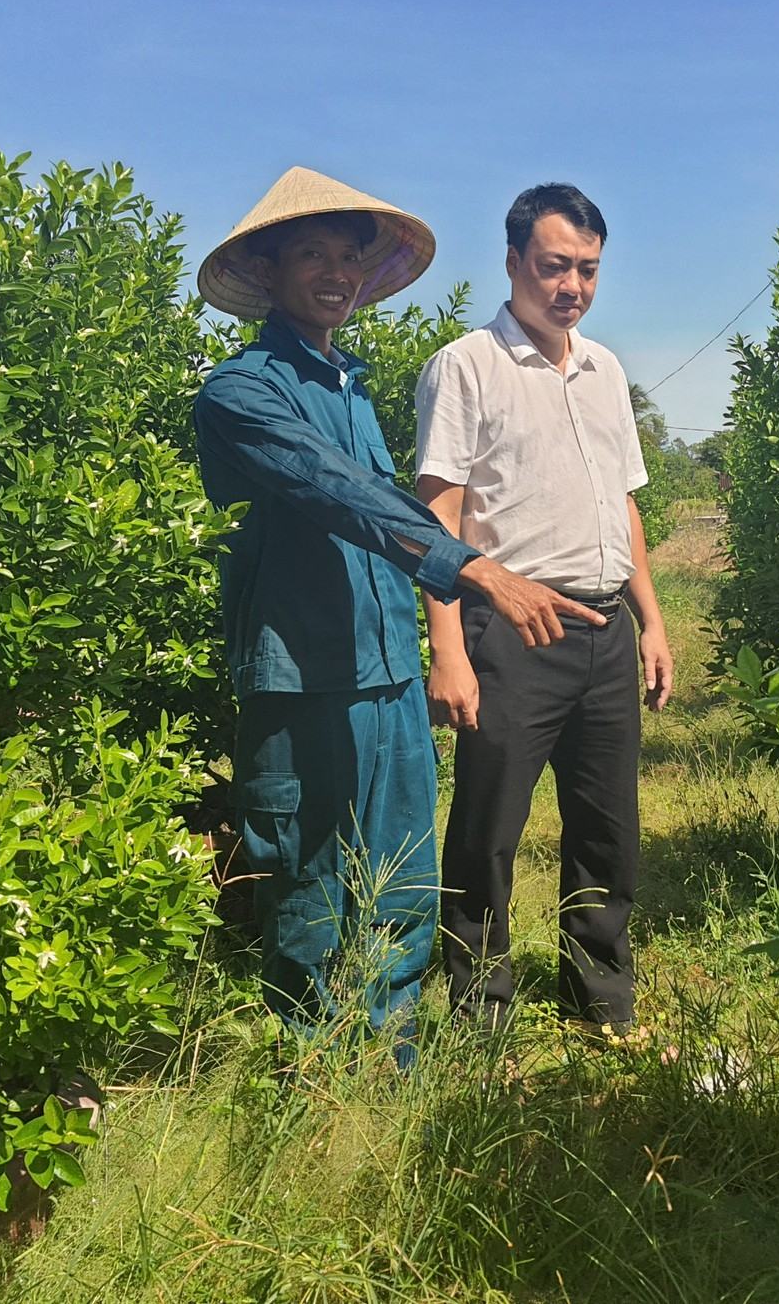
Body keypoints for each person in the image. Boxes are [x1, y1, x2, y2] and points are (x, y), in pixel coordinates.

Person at [192, 167, 605, 1069]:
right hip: (300, 676)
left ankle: (394, 1066)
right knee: (306, 874)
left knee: (404, 877)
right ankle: (308, 1072)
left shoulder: (350, 384)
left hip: (385, 673)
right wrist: (478, 571)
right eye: (313, 253)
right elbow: (341, 494)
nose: (336, 272)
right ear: (268, 270)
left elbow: (383, 502)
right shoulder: (239, 391)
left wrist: (430, 644)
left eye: (349, 256)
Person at [414, 182, 672, 1038]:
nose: (573, 286)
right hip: (512, 632)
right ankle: (479, 1016)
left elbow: (622, 505)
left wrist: (654, 622)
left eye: (589, 270)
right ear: (515, 260)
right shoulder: (466, 365)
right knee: (488, 829)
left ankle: (599, 1001)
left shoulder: (604, 371)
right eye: (557, 265)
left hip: (606, 628)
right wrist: (446, 647)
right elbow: (438, 517)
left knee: (607, 828)